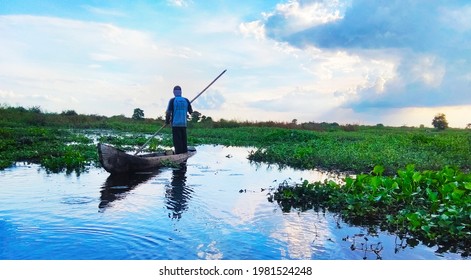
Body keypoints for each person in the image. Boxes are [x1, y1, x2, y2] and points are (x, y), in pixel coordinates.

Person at [165, 85, 193, 154]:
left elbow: (168, 112)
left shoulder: (172, 100)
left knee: (177, 142)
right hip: (184, 124)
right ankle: (184, 155)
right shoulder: (186, 100)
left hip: (175, 124)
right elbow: (191, 112)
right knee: (184, 141)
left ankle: (178, 155)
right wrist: (187, 106)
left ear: (174, 92)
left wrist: (167, 121)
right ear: (181, 92)